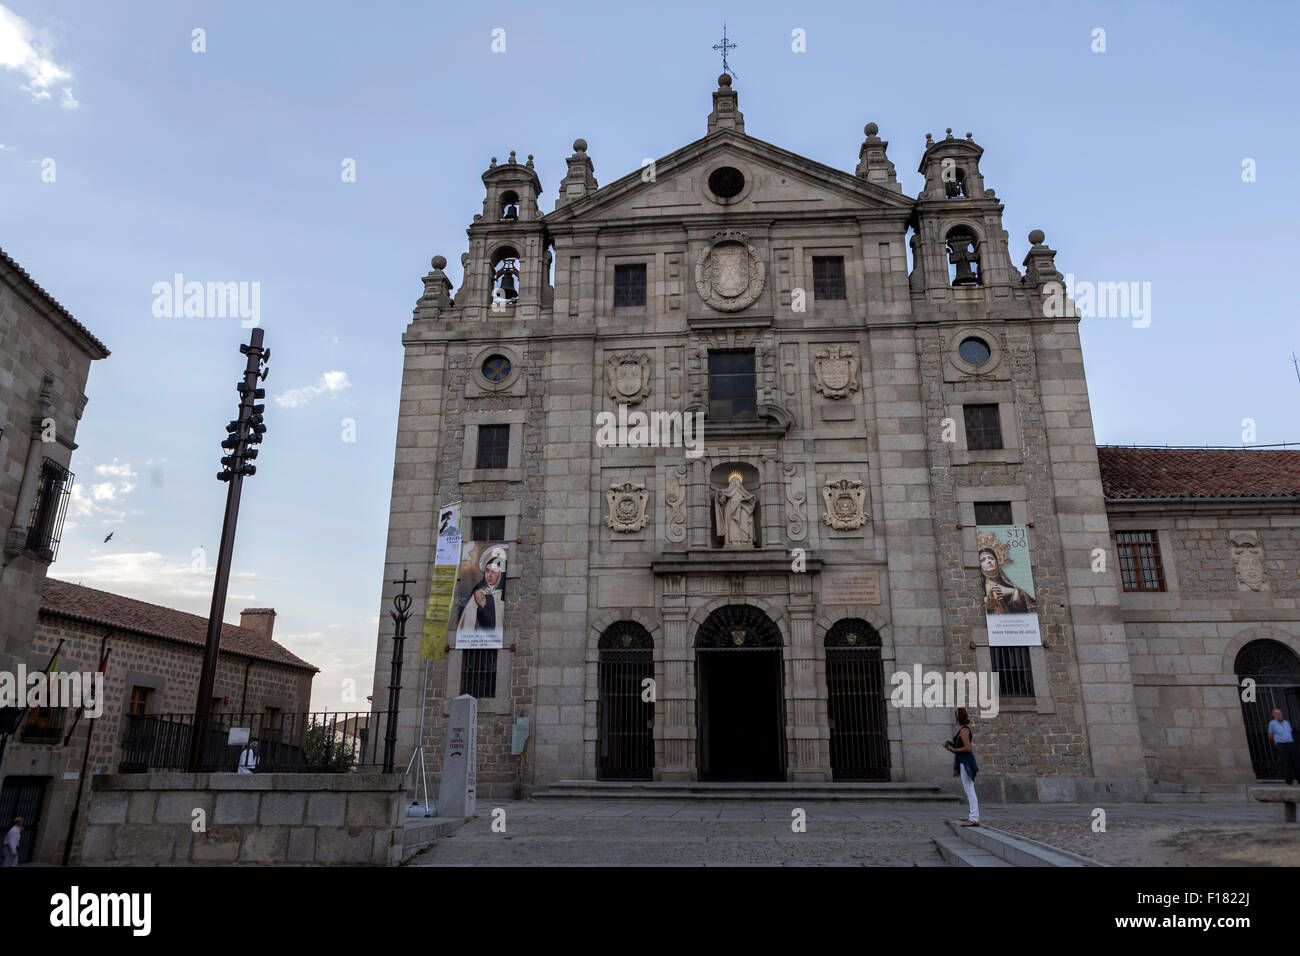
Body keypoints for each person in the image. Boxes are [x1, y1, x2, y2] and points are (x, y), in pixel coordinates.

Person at [457, 547, 507, 640]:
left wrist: (484, 607)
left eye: (494, 572)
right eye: (487, 571)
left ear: (501, 575)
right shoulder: (477, 594)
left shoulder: (502, 597)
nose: (490, 575)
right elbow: (467, 624)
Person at [944, 708, 979, 826]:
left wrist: (953, 749)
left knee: (969, 790)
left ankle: (973, 818)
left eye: (955, 716)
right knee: (970, 789)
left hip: (966, 761)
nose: (954, 718)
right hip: (964, 761)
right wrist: (952, 747)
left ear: (958, 717)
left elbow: (967, 748)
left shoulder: (964, 731)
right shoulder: (963, 730)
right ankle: (975, 818)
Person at [979, 547, 1034, 614]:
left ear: (996, 561)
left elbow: (1030, 604)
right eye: (983, 560)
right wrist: (988, 605)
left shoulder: (1006, 582)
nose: (989, 561)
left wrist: (1013, 591)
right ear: (980, 566)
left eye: (991, 558)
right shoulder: (981, 587)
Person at [1268, 708, 1298, 785]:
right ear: (1274, 715)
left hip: (1291, 744)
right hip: (1282, 745)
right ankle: (1289, 780)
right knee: (1285, 763)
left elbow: (1290, 732)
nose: (1279, 715)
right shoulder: (1272, 724)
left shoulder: (1287, 723)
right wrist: (1275, 742)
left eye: (1280, 713)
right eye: (1277, 713)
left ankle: (1299, 778)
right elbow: (1270, 735)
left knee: (1296, 761)